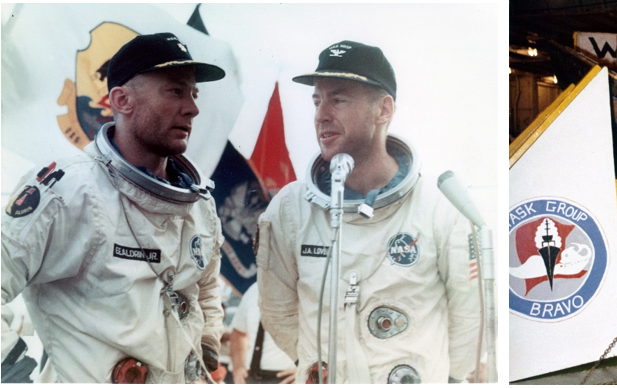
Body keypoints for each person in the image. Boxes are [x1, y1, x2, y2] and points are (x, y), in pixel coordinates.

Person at [0, 32, 226, 383]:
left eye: (194, 94)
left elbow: (207, 287)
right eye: (175, 91)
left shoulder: (199, 206)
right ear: (122, 100)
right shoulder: (68, 190)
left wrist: (207, 341)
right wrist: (14, 372)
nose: (193, 108)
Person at [255, 40, 481, 384]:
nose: (321, 115)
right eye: (317, 100)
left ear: (383, 110)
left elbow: (470, 318)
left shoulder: (438, 206)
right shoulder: (290, 208)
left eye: (339, 99)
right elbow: (277, 311)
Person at [230, 283, 296, 384]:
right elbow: (239, 332)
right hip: (251, 378)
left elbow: (323, 334)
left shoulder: (302, 288)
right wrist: (238, 368)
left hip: (289, 379)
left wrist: (309, 372)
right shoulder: (253, 290)